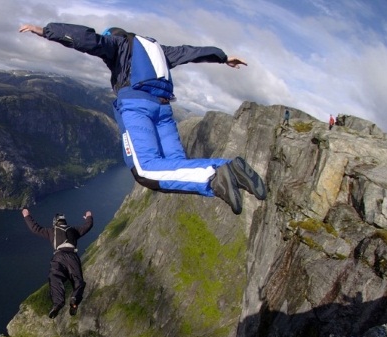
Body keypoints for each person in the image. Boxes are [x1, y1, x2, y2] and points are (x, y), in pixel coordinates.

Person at [19, 23, 266, 215]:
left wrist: (47, 32)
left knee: (145, 170)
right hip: (164, 111)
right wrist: (221, 57)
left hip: (138, 107)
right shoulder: (158, 49)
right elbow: (190, 52)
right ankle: (230, 172)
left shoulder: (120, 43)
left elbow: (89, 40)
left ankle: (221, 171)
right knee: (174, 169)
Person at [22, 208, 93, 318]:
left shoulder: (51, 231)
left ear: (55, 222)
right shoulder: (74, 230)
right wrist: (89, 216)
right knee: (78, 281)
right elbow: (88, 226)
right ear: (64, 222)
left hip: (58, 257)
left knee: (55, 277)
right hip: (72, 257)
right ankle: (74, 299)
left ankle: (57, 303)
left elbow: (35, 228)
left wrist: (27, 216)